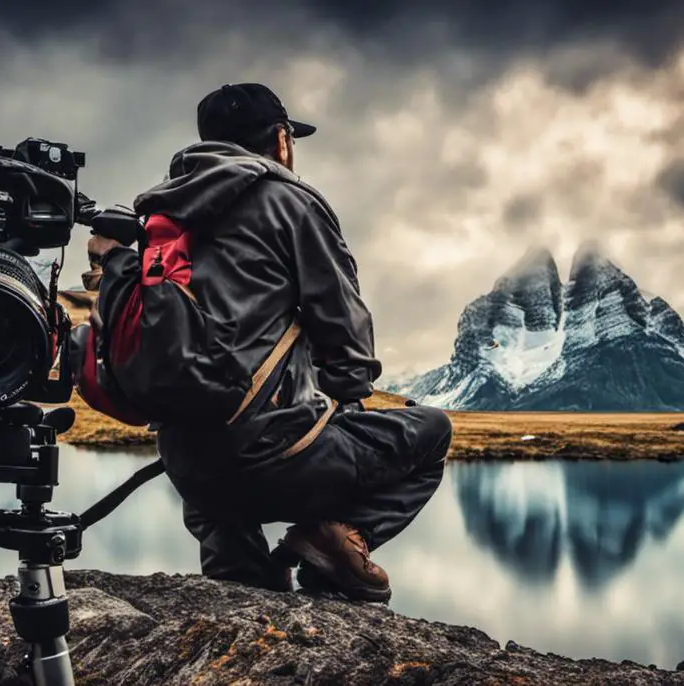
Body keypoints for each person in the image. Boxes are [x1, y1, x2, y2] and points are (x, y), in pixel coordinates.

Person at [85, 83, 452, 603]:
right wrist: (346, 398)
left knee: (245, 595)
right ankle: (335, 538)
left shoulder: (159, 215)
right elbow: (343, 330)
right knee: (433, 432)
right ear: (280, 141)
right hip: (277, 459)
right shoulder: (290, 202)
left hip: (190, 473)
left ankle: (244, 580)